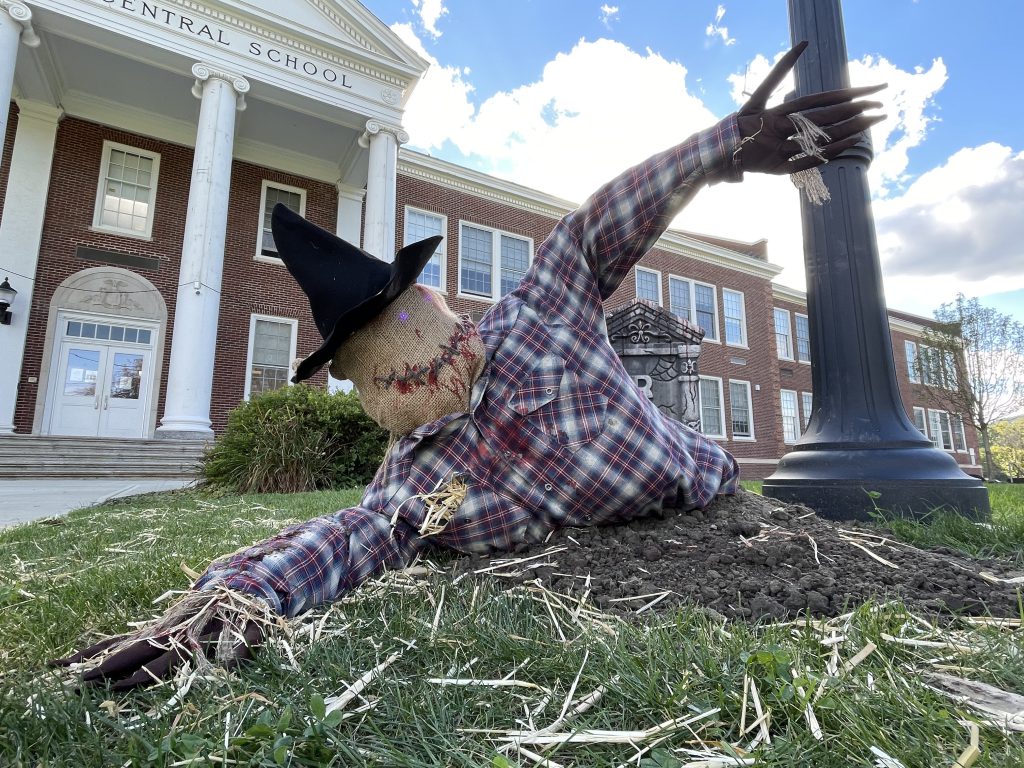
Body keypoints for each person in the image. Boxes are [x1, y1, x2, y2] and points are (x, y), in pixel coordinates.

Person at [56, 42, 883, 688]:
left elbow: (598, 225)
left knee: (711, 468)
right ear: (362, 386)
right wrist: (237, 596)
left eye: (404, 322)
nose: (407, 365)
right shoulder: (417, 484)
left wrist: (725, 143)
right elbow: (348, 539)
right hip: (604, 542)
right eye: (372, 364)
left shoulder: (537, 315)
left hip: (705, 490)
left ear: (435, 307)